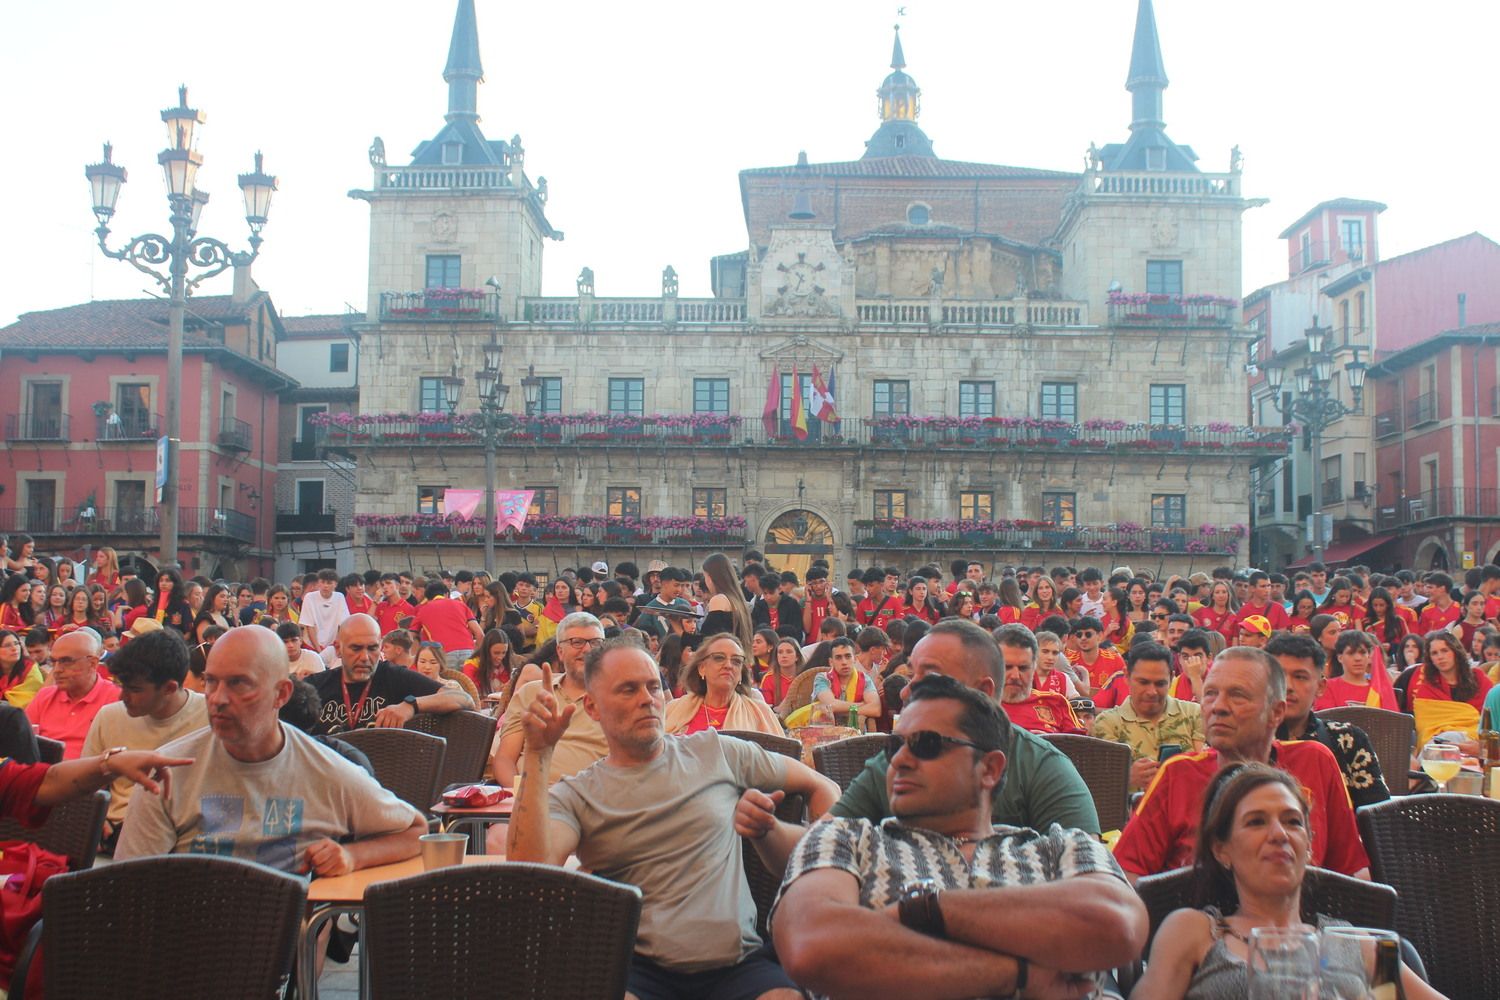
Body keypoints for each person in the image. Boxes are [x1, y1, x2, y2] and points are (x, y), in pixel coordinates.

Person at [773, 674, 1147, 1000]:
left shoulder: (1060, 846)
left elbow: (1119, 925)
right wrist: (1019, 977)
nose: (899, 760)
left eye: (926, 745)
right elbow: (813, 946)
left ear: (989, 769)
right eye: (894, 746)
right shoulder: (846, 839)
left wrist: (924, 910)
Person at [507, 639, 838, 999]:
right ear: (593, 707)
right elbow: (531, 873)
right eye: (628, 690)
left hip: (738, 965)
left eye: (652, 687)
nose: (647, 699)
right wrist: (539, 755)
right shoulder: (579, 793)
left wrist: (819, 870)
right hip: (637, 971)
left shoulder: (715, 751)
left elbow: (822, 786)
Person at [740, 619, 1100, 880]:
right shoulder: (899, 763)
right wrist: (768, 830)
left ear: (983, 690)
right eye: (911, 674)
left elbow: (1092, 883)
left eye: (928, 676)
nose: (907, 691)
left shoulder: (1040, 765)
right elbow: (820, 849)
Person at [115, 624, 426, 876]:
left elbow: (416, 831)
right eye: (211, 682)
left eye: (239, 684)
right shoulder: (168, 772)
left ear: (281, 694)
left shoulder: (328, 771)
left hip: (285, 945)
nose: (218, 699)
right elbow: (129, 885)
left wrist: (352, 856)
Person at [1130, 764, 1444, 1000]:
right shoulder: (1194, 933)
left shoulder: (1360, 946)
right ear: (1221, 849)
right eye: (1256, 822)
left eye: (1292, 822)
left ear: (1308, 846)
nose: (1279, 834)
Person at [1112, 646, 1369, 882]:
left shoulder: (1315, 762)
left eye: (1237, 695)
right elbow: (1128, 873)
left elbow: (1352, 871)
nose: (1218, 707)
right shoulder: (1179, 773)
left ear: (1276, 713)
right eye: (1211, 693)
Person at [81, 627, 208, 850]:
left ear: (169, 688)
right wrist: (96, 819)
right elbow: (85, 785)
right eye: (121, 686)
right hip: (119, 833)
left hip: (190, 840)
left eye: (134, 689)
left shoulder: (210, 717)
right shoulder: (109, 716)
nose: (123, 697)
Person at [1265, 633, 1391, 809]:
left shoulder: (1348, 740)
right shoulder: (1245, 741)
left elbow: (1378, 819)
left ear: (1320, 687)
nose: (1288, 686)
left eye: (1300, 677)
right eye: (1279, 676)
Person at [491, 612, 609, 787]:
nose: (587, 649)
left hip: (592, 802)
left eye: (596, 643)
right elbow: (505, 760)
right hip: (529, 798)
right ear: (560, 652)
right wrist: (523, 798)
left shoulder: (616, 698)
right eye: (577, 642)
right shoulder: (530, 693)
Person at [306, 614, 471, 735]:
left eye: (372, 648)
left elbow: (462, 698)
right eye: (356, 648)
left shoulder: (393, 676)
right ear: (338, 649)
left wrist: (411, 705)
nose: (365, 657)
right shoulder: (316, 685)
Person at [1091, 642, 1205, 792]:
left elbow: (1206, 770)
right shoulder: (1107, 724)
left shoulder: (1194, 714)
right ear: (1126, 676)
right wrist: (1127, 778)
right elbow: (1096, 785)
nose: (1152, 691)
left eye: (1160, 684)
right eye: (1143, 682)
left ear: (1171, 678)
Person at [25, 629, 121, 758]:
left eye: (66, 661)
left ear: (92, 663)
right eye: (54, 662)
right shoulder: (45, 696)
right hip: (43, 773)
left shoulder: (116, 699)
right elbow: (21, 742)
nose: (57, 670)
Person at [664, 634, 782, 735]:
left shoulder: (760, 714)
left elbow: (782, 759)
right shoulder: (673, 710)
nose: (728, 666)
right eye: (719, 658)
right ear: (702, 668)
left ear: (741, 673)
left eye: (736, 661)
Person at [994, 624, 1085, 735]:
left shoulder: (1056, 702)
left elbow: (1081, 747)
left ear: (1033, 667)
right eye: (1007, 667)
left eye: (1023, 668)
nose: (1015, 676)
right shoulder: (975, 706)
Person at [408, 581, 484, 671]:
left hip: (444, 653)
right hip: (468, 652)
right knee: (467, 684)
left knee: (446, 684)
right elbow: (480, 634)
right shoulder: (461, 605)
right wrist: (474, 652)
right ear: (447, 594)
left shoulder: (423, 609)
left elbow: (411, 635)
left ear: (427, 598)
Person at [1319, 630, 1399, 711]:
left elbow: (1392, 720)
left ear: (1369, 656)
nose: (1358, 658)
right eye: (1351, 653)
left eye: (1362, 653)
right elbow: (1326, 720)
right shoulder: (1327, 687)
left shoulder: (1381, 688)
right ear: (1340, 658)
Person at [412, 640, 482, 705]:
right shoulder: (411, 685)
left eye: (433, 662)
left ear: (441, 664)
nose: (427, 667)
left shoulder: (451, 686)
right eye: (422, 662)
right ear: (416, 662)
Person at [300, 569, 351, 653]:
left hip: (332, 646)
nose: (325, 586)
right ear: (318, 583)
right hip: (311, 645)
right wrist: (318, 649)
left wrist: (336, 645)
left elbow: (342, 625)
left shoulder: (339, 597)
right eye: (322, 582)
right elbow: (309, 626)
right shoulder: (309, 597)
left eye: (329, 583)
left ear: (335, 584)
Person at [0, 628, 45, 708]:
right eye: (7, 645)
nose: (14, 648)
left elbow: (33, 699)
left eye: (16, 643)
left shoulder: (30, 668)